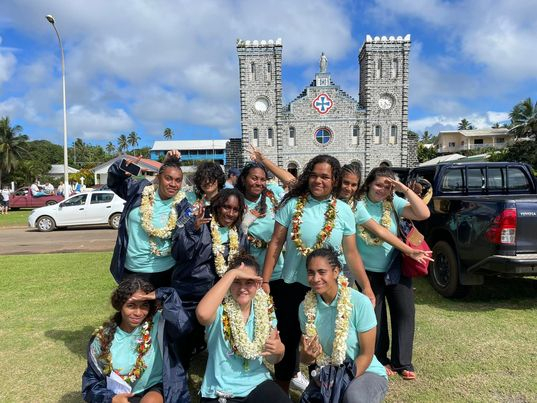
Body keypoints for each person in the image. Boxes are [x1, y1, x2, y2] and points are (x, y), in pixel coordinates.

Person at [261, 154, 375, 393]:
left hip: (329, 289)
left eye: (325, 176)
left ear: (334, 180)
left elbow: (352, 253)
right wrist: (265, 280)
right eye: (313, 175)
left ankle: (323, 390)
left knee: (324, 342)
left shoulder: (343, 210)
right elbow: (275, 243)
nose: (318, 180)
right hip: (293, 285)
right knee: (290, 338)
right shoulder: (292, 204)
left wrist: (366, 287)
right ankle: (282, 390)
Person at [236, 161, 309, 392]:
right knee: (255, 321)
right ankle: (249, 368)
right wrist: (247, 222)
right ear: (244, 179)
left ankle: (292, 371)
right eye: (253, 178)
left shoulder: (275, 193)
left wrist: (265, 160)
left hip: (281, 272)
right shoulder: (236, 201)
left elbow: (294, 183)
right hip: (251, 275)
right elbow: (232, 230)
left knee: (288, 325)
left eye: (261, 178)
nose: (258, 182)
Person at [355, 167, 430, 380]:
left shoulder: (393, 202)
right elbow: (379, 232)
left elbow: (423, 213)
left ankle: (402, 361)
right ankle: (379, 358)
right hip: (367, 271)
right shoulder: (357, 205)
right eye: (379, 184)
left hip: (395, 266)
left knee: (404, 312)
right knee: (374, 316)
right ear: (369, 183)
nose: (382, 190)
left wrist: (403, 189)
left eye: (387, 187)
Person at [196, 254, 291, 403]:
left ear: (258, 284)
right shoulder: (220, 308)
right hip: (222, 389)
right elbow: (202, 314)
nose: (242, 288)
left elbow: (271, 357)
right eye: (236, 282)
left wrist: (279, 351)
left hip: (256, 382)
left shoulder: (265, 309)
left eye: (249, 282)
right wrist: (232, 273)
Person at [171, 188, 249, 369]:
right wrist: (193, 230)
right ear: (217, 206)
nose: (230, 213)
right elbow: (179, 254)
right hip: (190, 293)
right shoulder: (201, 222)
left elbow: (242, 264)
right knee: (183, 337)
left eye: (235, 209)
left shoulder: (238, 233)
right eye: (226, 207)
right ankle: (179, 372)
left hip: (220, 296)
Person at [298, 247, 388, 403]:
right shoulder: (305, 308)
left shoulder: (360, 302)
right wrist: (307, 356)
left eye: (322, 272)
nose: (316, 278)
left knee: (353, 398)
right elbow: (308, 359)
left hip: (365, 372)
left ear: (336, 271)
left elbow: (366, 354)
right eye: (311, 272)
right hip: (327, 373)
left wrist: (341, 381)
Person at [82, 276, 191, 403]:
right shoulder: (102, 339)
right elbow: (91, 383)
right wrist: (111, 399)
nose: (138, 313)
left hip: (156, 388)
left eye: (144, 305)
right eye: (131, 305)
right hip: (120, 395)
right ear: (120, 306)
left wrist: (163, 294)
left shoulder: (160, 323)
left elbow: (183, 326)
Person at [107, 151, 189, 287]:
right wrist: (120, 168)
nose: (173, 184)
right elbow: (114, 182)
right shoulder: (139, 190)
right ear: (158, 177)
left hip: (166, 272)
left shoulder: (183, 206)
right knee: (131, 307)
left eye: (178, 180)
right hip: (131, 270)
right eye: (168, 178)